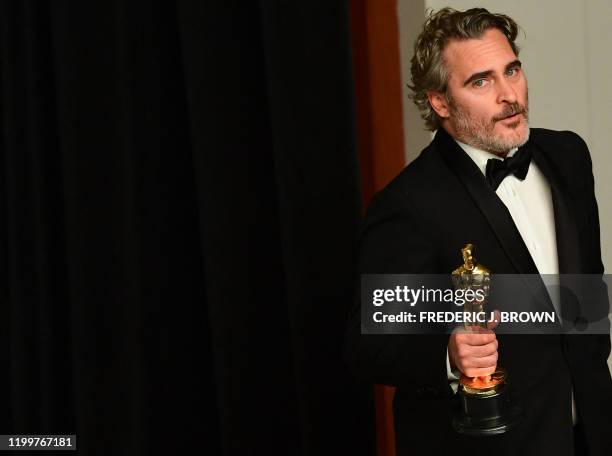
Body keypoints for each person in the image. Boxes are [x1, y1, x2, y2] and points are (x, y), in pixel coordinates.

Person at [345, 7, 612, 456]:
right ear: (440, 103)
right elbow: (366, 345)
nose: (510, 95)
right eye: (481, 81)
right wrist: (448, 356)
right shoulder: (407, 203)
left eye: (512, 70)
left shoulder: (568, 156)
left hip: (592, 431)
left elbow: (585, 294)